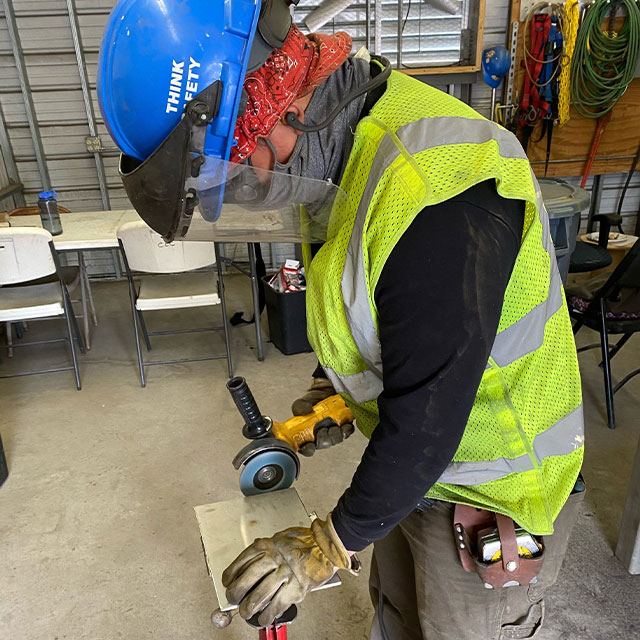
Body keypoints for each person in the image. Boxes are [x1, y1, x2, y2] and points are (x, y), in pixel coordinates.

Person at [98, 2, 584, 638]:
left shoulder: (435, 192)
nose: (247, 191)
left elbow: (430, 419)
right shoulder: (341, 159)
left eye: (239, 170)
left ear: (277, 107)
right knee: (396, 617)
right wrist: (334, 393)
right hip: (416, 477)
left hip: (494, 486)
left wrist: (329, 543)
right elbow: (380, 307)